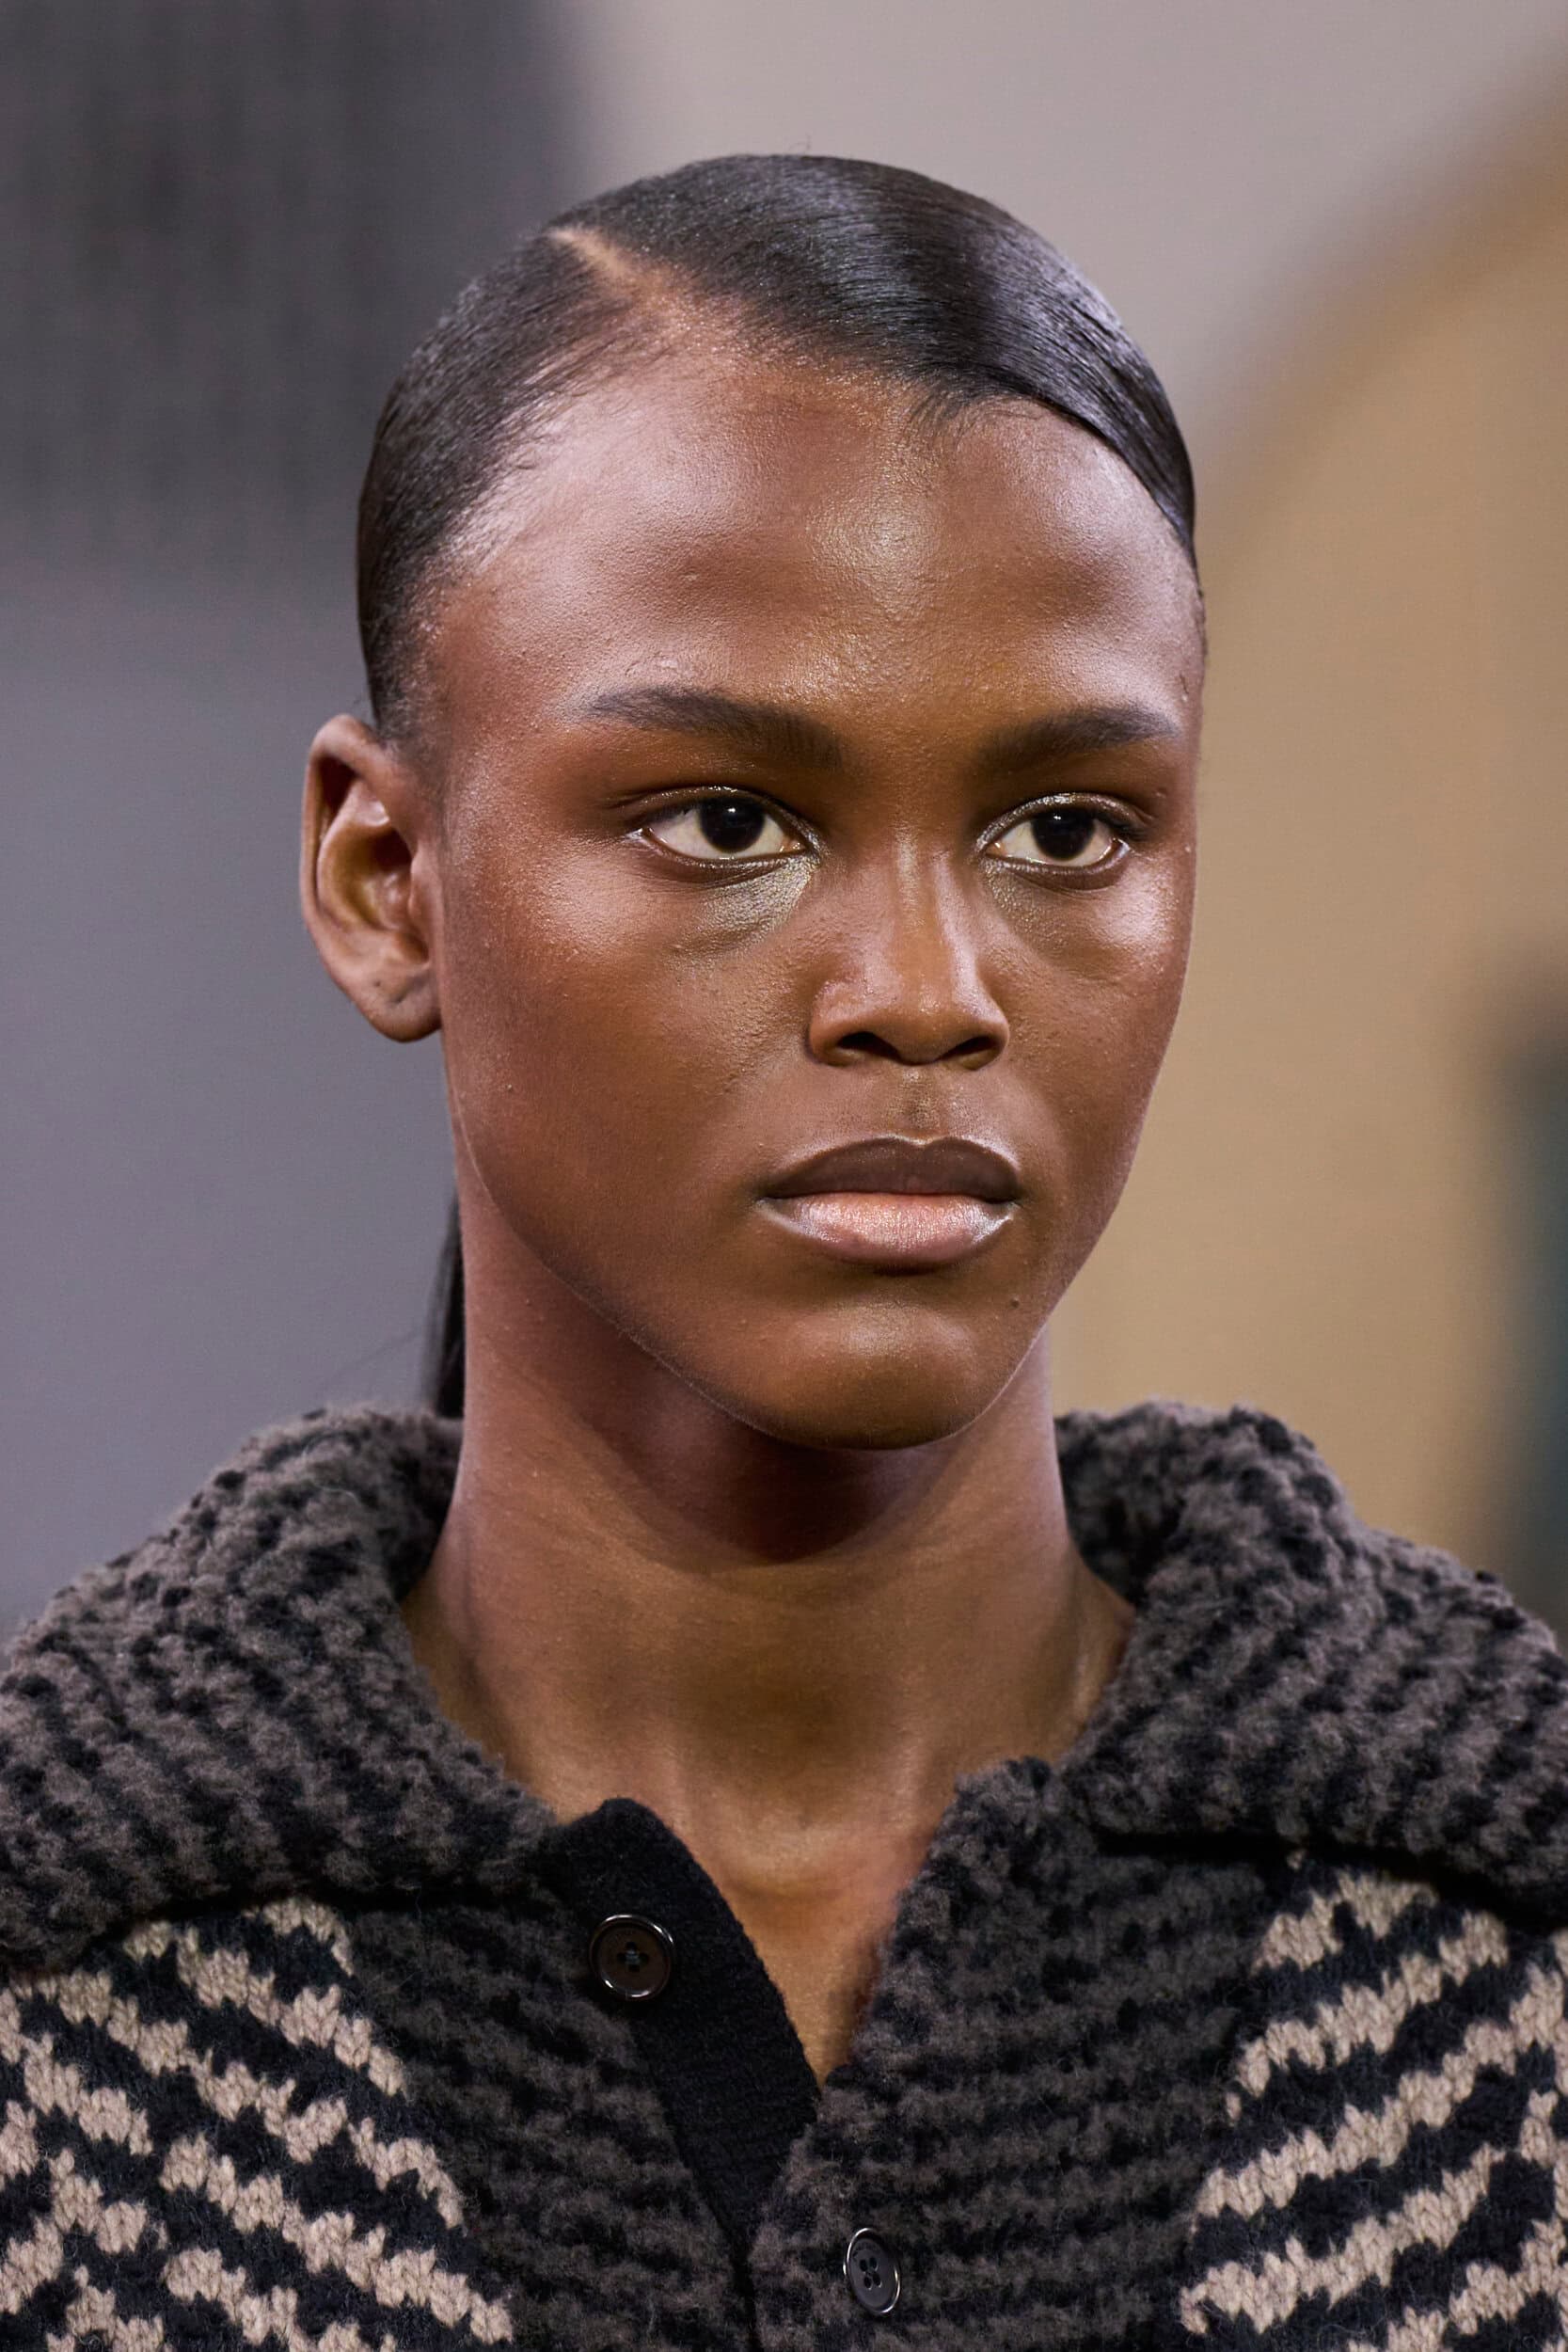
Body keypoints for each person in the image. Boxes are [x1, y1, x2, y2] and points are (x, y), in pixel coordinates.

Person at [4, 154, 1567, 2352]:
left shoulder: (1509, 1953)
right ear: (384, 876)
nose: (927, 989)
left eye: (1066, 828)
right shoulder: (62, 1997)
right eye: (730, 819)